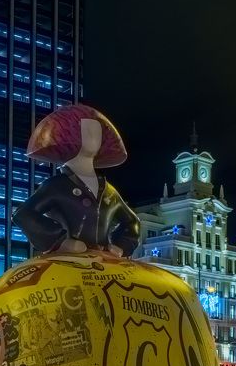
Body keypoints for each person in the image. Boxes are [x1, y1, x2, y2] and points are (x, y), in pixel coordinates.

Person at [12, 104, 140, 256]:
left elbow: (132, 222)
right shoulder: (57, 185)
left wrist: (121, 246)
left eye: (98, 132)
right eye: (88, 131)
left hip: (102, 260)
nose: (95, 138)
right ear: (71, 135)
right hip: (67, 260)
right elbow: (23, 214)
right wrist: (60, 241)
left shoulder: (109, 191)